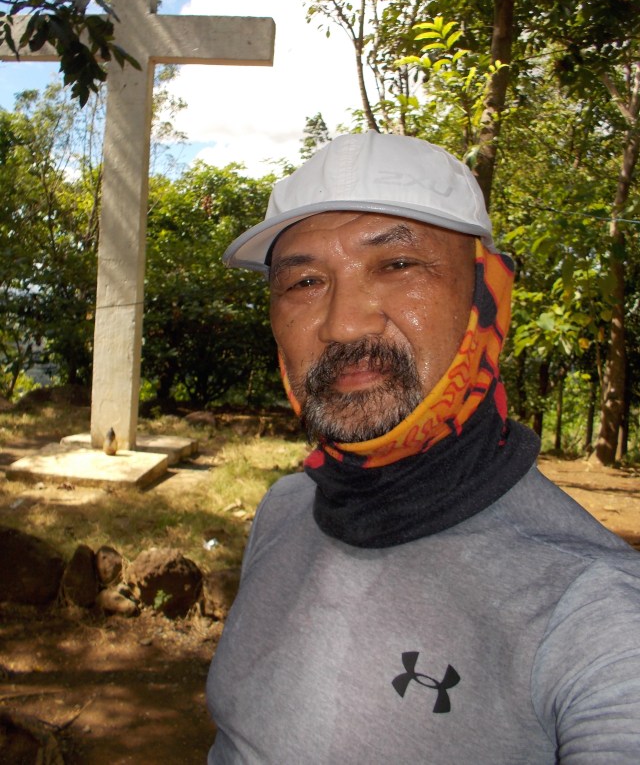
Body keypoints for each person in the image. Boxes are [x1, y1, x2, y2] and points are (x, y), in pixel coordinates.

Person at [206, 131, 640, 763]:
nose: (342, 323)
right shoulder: (286, 509)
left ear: (484, 296)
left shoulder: (594, 611)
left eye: (399, 265)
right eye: (303, 281)